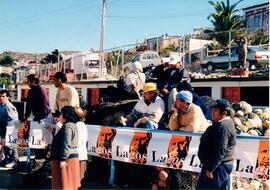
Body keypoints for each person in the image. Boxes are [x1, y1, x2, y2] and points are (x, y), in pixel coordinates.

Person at [197, 99, 236, 189]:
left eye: (216, 110)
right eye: (213, 109)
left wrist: (210, 168)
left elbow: (220, 149)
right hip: (215, 165)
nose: (213, 112)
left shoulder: (224, 126)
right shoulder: (221, 124)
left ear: (224, 113)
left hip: (218, 167)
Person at [50, 106, 80, 189]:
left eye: (61, 114)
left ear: (65, 115)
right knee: (69, 185)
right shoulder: (72, 125)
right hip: (70, 157)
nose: (59, 116)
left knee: (64, 185)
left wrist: (63, 159)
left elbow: (66, 143)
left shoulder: (67, 126)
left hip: (66, 159)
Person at [0, 89, 19, 168]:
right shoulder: (1, 105)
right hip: (3, 126)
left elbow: (16, 118)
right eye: (0, 96)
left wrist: (19, 130)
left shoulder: (9, 106)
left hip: (11, 126)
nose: (1, 98)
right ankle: (6, 159)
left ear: (7, 97)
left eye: (3, 96)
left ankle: (14, 161)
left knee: (11, 145)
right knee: (5, 144)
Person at [74, 107, 88, 181]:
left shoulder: (78, 125)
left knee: (78, 180)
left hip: (78, 154)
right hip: (80, 154)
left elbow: (80, 140)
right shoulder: (81, 124)